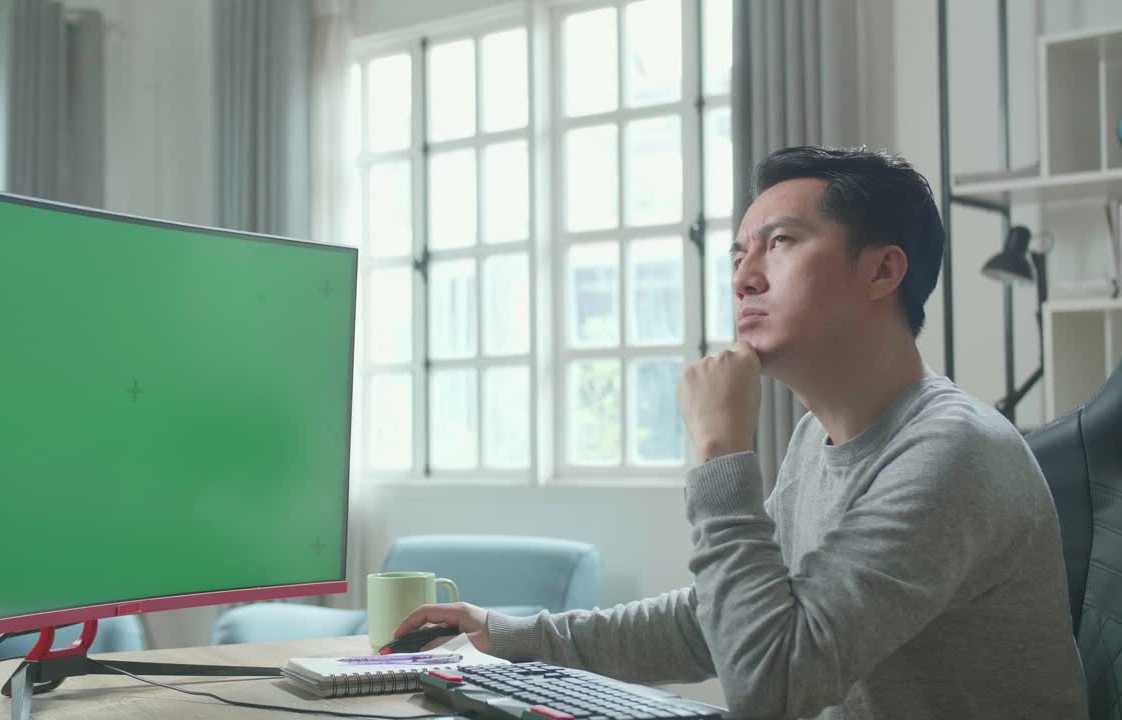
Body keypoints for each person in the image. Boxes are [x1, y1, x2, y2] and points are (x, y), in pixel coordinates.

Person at [391, 146, 1089, 719]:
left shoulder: (951, 453)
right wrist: (510, 636)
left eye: (780, 243)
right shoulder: (817, 437)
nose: (744, 278)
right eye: (736, 256)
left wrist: (721, 455)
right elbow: (722, 624)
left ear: (883, 269)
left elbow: (772, 684)